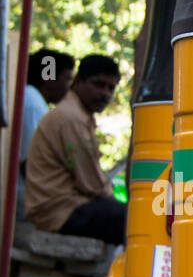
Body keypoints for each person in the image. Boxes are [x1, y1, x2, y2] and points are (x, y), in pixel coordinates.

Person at [23, 54, 126, 245]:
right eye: (98, 84)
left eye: (111, 88)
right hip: (59, 211)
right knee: (135, 220)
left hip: (65, 206)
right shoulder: (72, 118)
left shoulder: (79, 114)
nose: (105, 94)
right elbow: (92, 184)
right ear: (78, 82)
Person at [16, 48, 75, 219]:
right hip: (25, 199)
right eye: (67, 79)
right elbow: (30, 161)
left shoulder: (33, 100)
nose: (69, 86)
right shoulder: (32, 103)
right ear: (48, 78)